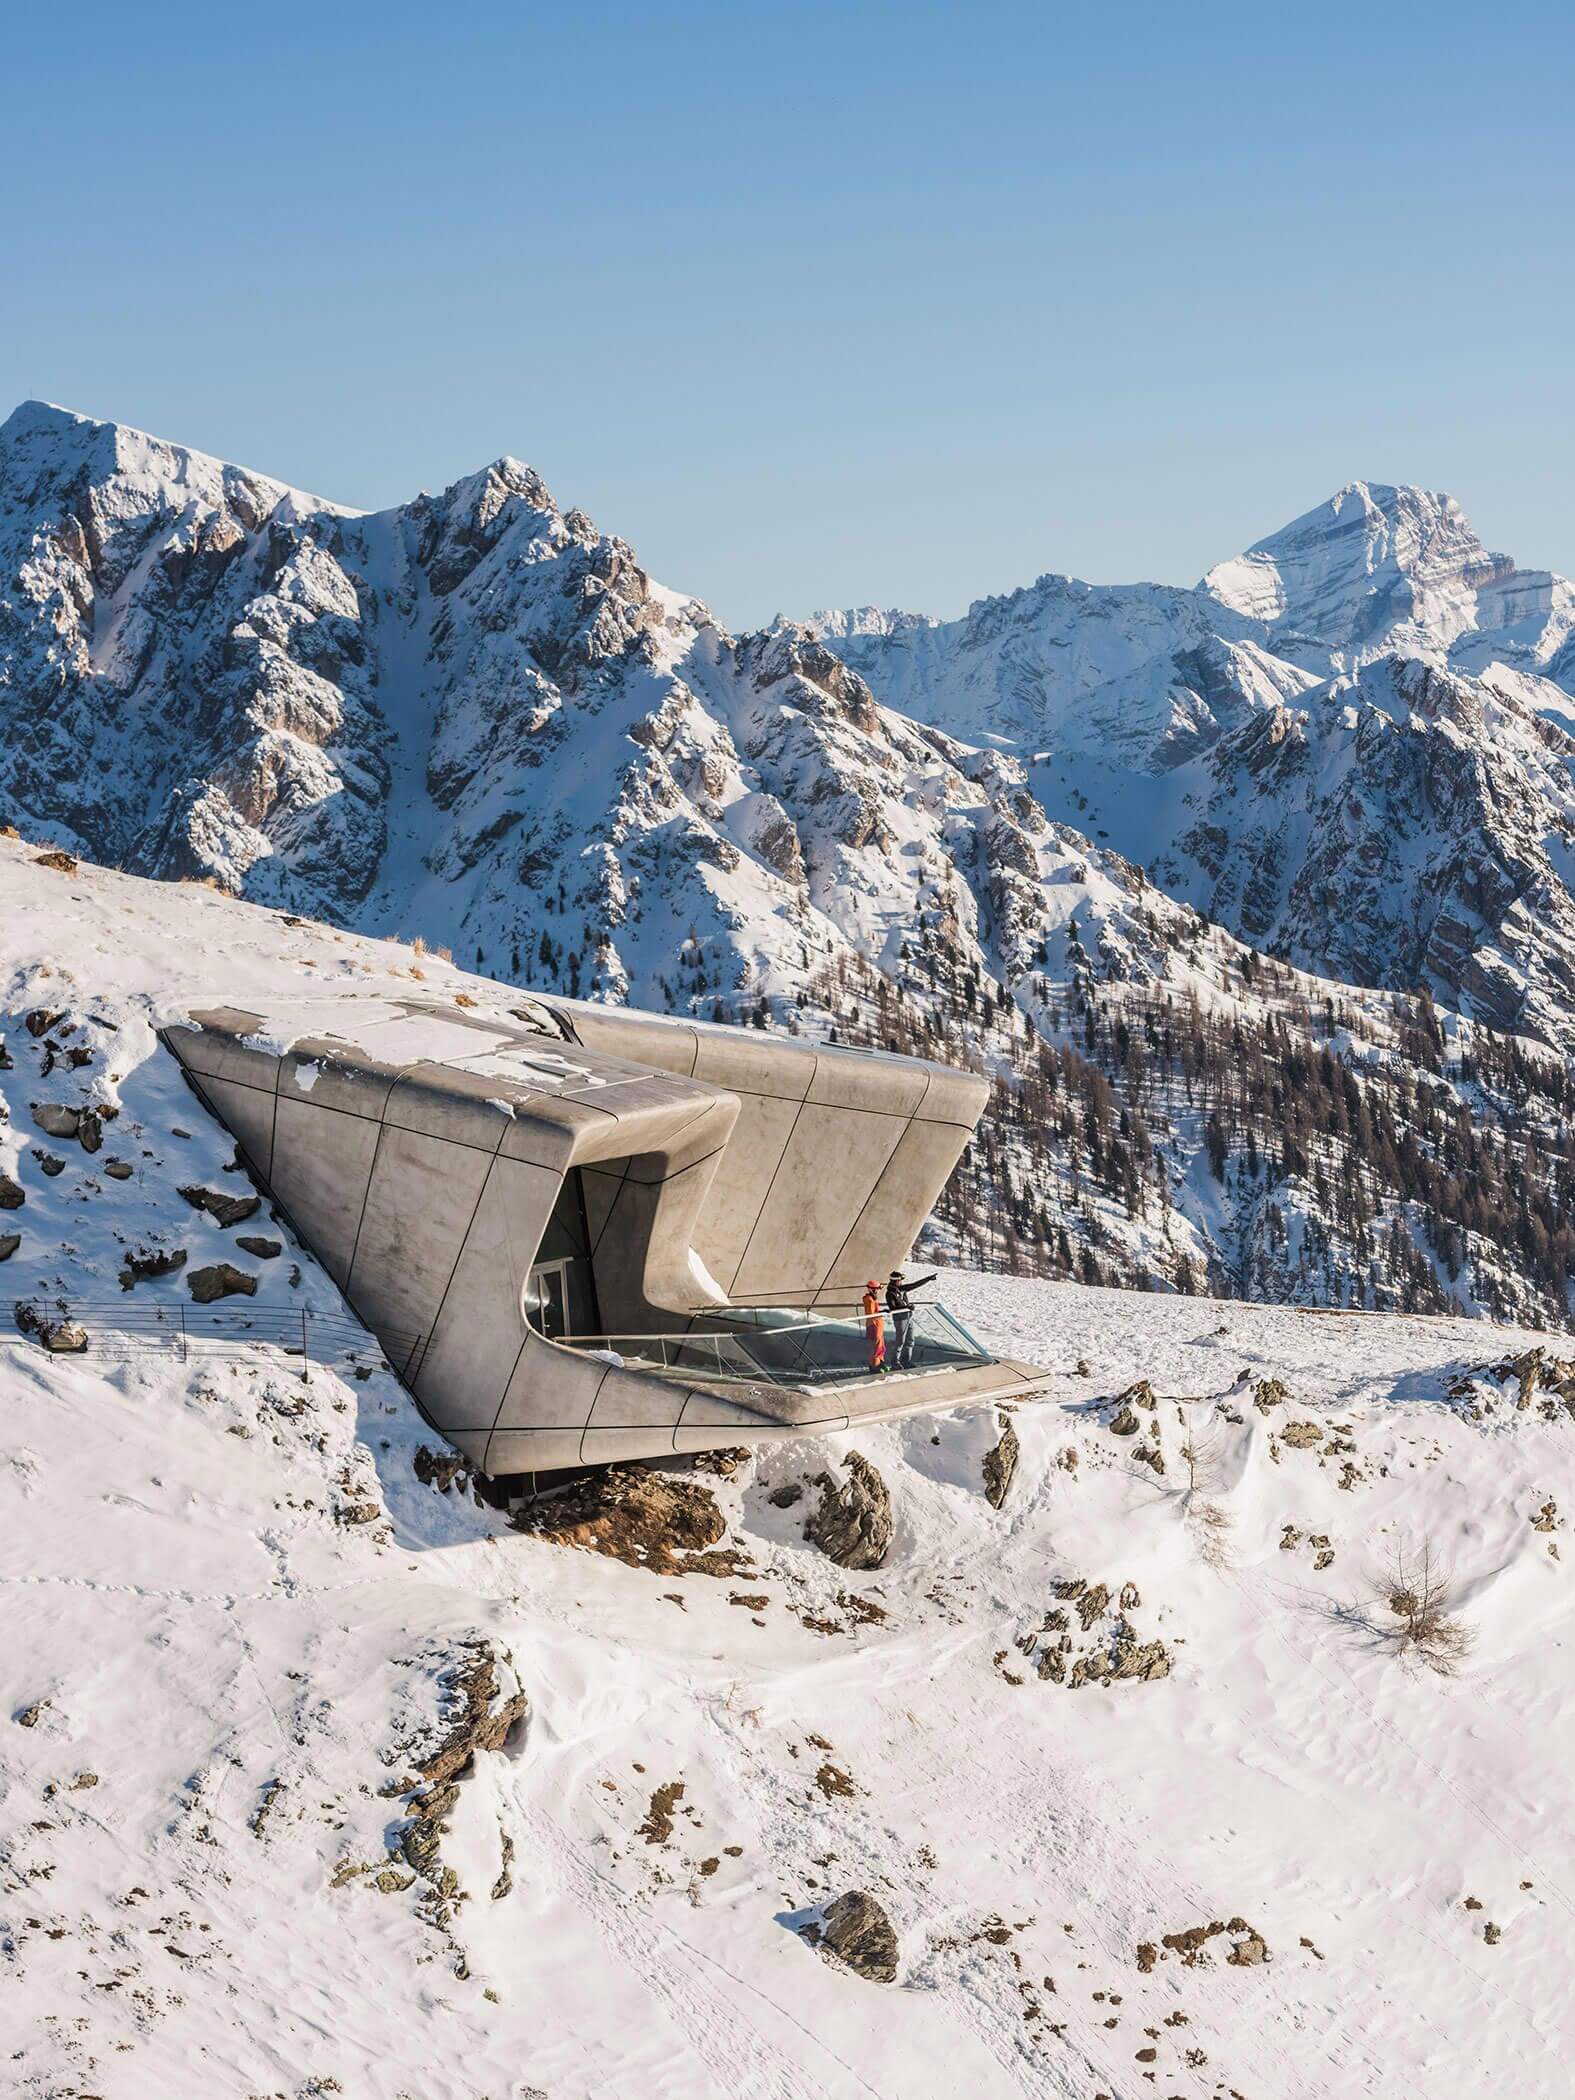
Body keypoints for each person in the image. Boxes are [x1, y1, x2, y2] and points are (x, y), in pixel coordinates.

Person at [886, 1267, 936, 1369]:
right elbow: (893, 1307)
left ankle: (906, 1361)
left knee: (910, 1340)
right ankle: (895, 1363)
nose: (901, 1282)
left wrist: (928, 1279)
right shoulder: (890, 1293)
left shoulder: (901, 1289)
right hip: (900, 1319)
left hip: (908, 1317)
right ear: (895, 1281)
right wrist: (907, 1307)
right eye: (900, 1280)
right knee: (900, 1342)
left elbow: (914, 1285)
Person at [861, 1279, 886, 1373]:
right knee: (875, 1346)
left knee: (880, 1344)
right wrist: (881, 1313)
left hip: (877, 1325)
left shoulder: (872, 1298)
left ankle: (880, 1363)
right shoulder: (869, 1299)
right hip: (874, 1325)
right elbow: (871, 1313)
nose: (878, 1291)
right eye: (877, 1289)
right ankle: (875, 1366)